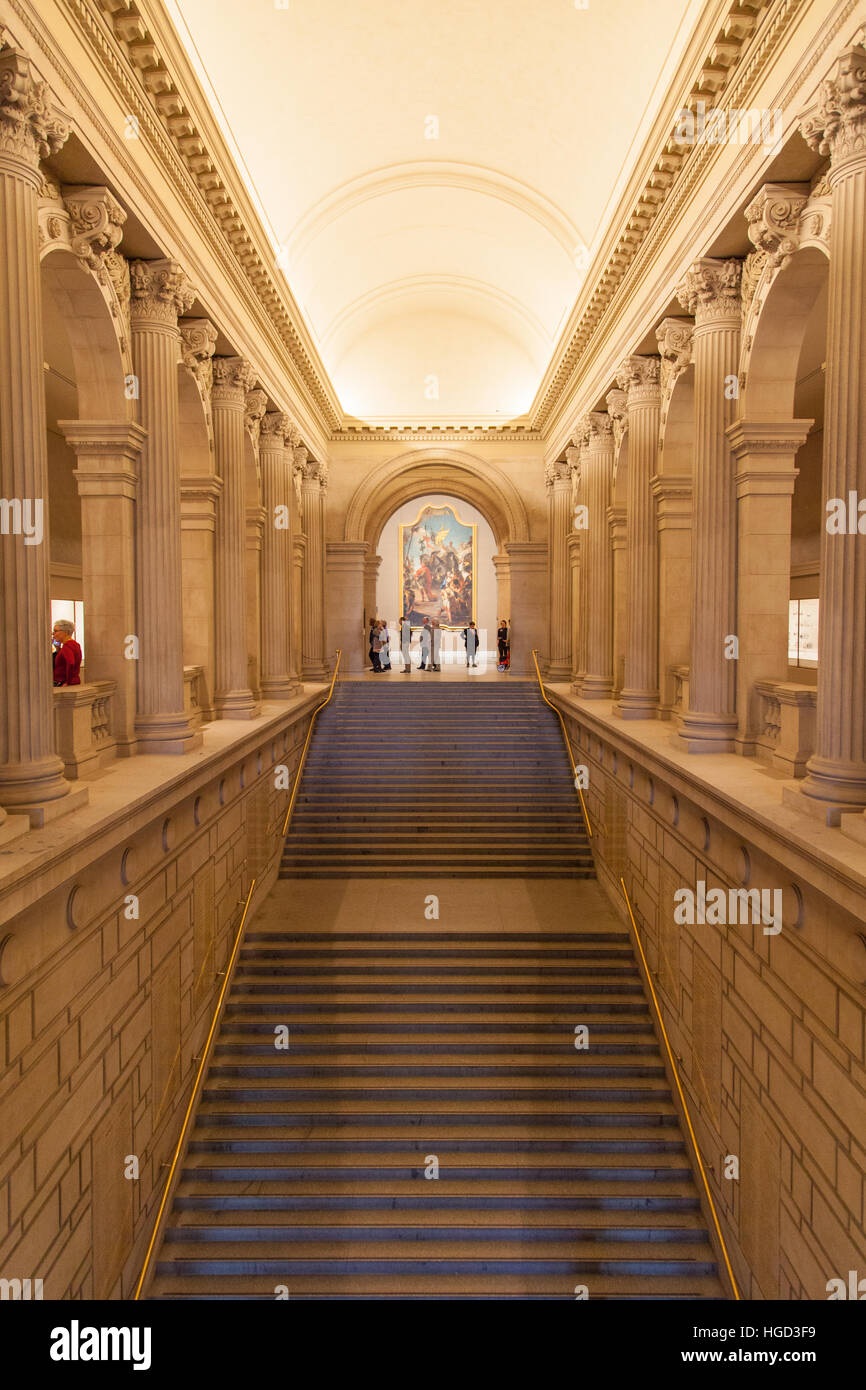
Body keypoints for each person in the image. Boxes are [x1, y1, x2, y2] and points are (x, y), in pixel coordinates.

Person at [52, 619, 82, 686]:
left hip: (63, 683)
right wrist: (58, 648)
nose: (53, 634)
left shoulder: (67, 646)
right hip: (73, 681)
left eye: (55, 631)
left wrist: (67, 682)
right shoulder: (75, 644)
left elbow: (71, 663)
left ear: (65, 632)